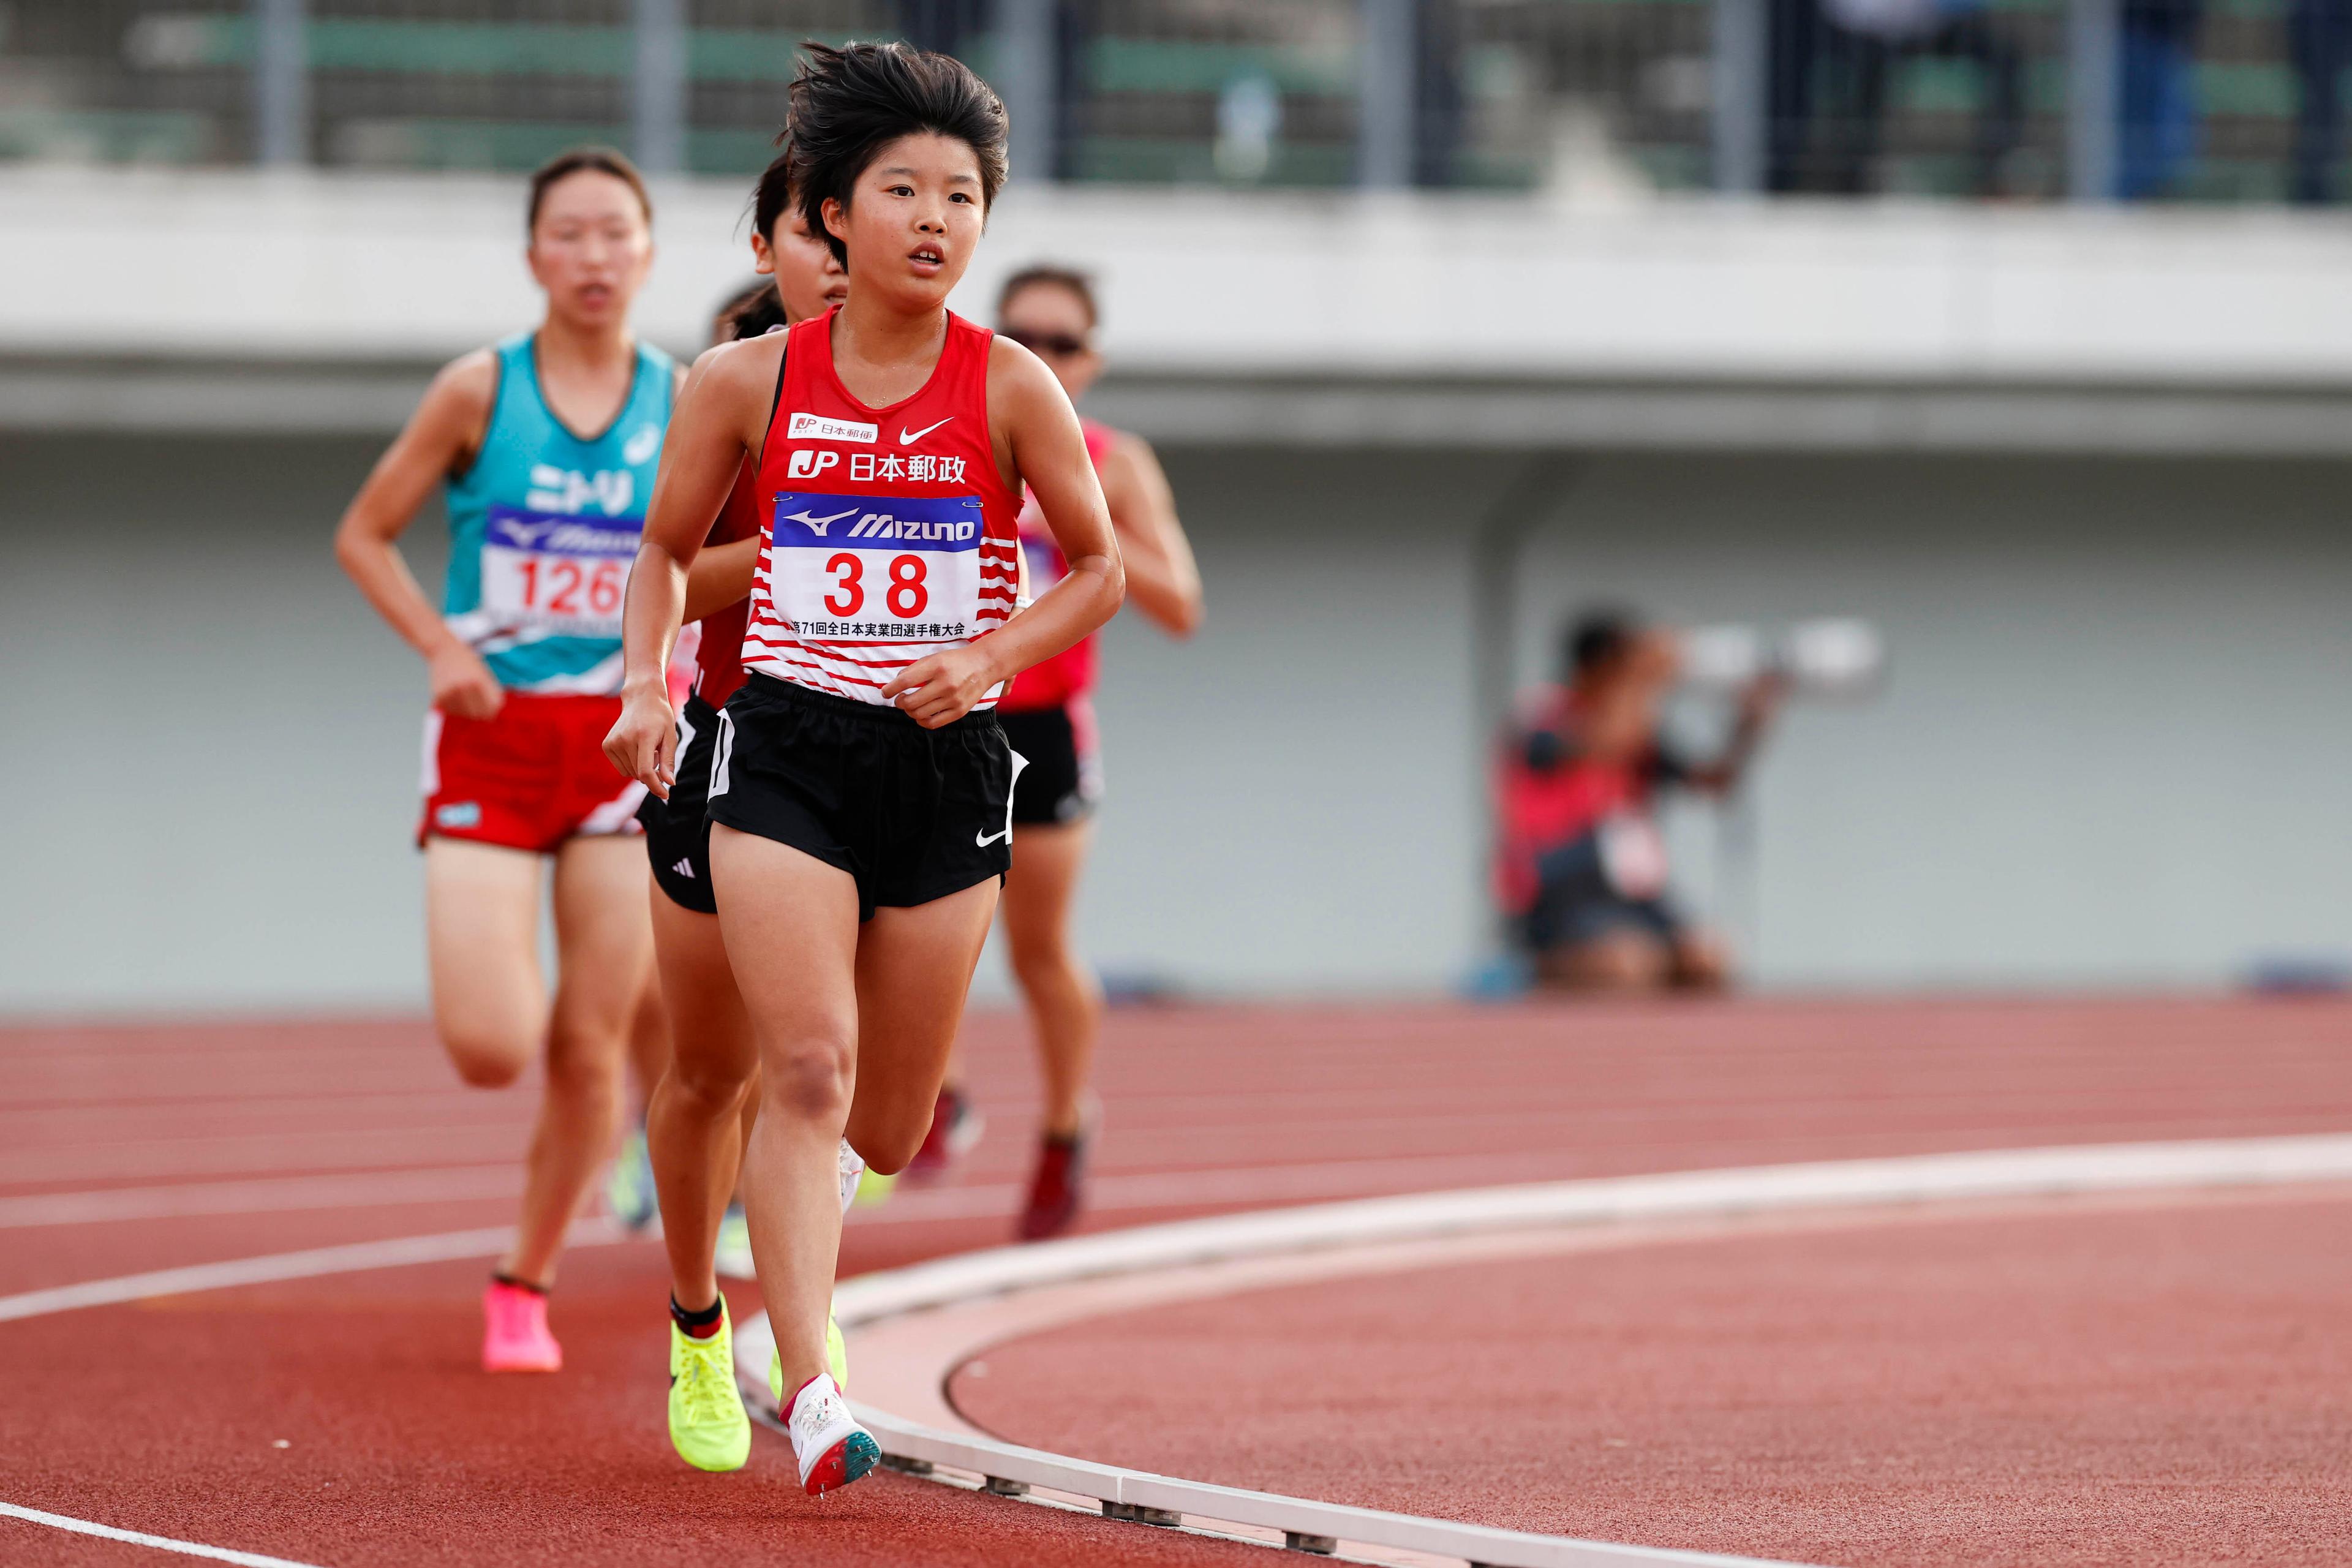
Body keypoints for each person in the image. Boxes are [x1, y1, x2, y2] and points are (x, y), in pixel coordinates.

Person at [604, 41, 1123, 1496]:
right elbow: (657, 553)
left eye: (961, 194)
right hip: (782, 745)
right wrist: (646, 690)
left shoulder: (1012, 385)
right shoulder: (745, 378)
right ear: (831, 213)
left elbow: (1100, 569)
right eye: (902, 188)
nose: (934, 218)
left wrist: (987, 655)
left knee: (886, 1118)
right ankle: (802, 1378)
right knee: (804, 1063)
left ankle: (796, 1248)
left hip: (950, 763)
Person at [333, 148, 676, 1372]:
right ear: (535, 254)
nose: (594, 256)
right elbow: (365, 534)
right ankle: (602, 1103)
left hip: (618, 749)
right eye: (570, 234)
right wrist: (436, 642)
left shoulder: (686, 400)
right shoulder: (480, 389)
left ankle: (524, 1280)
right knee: (493, 1045)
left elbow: (720, 558)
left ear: (649, 251)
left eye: (616, 234)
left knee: (589, 1042)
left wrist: (665, 667)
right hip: (490, 733)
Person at [628, 158, 869, 1475]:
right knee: (718, 1071)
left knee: (854, 1094)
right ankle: (705, 1322)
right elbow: (658, 570)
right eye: (814, 229)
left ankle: (804, 1306)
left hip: (889, 763)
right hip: (733, 746)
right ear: (775, 243)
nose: (842, 251)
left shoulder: (949, 385)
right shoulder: (729, 388)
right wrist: (805, 537)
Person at [910, 265, 1202, 1245]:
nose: (1044, 352)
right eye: (1023, 332)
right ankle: (938, 1093)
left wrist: (1080, 519)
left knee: (1034, 951)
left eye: (1064, 341)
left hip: (1043, 727)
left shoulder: (1116, 460)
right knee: (900, 928)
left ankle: (1067, 1125)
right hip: (944, 713)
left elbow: (1179, 606)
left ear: (1094, 360)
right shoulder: (959, 429)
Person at [1495, 609, 1778, 994]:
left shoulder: (1637, 727)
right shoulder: (1544, 715)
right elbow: (1601, 745)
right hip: (1562, 886)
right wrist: (1645, 683)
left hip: (1631, 889)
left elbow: (1713, 783)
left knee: (1708, 962)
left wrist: (1749, 724)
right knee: (1631, 967)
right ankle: (1538, 972)